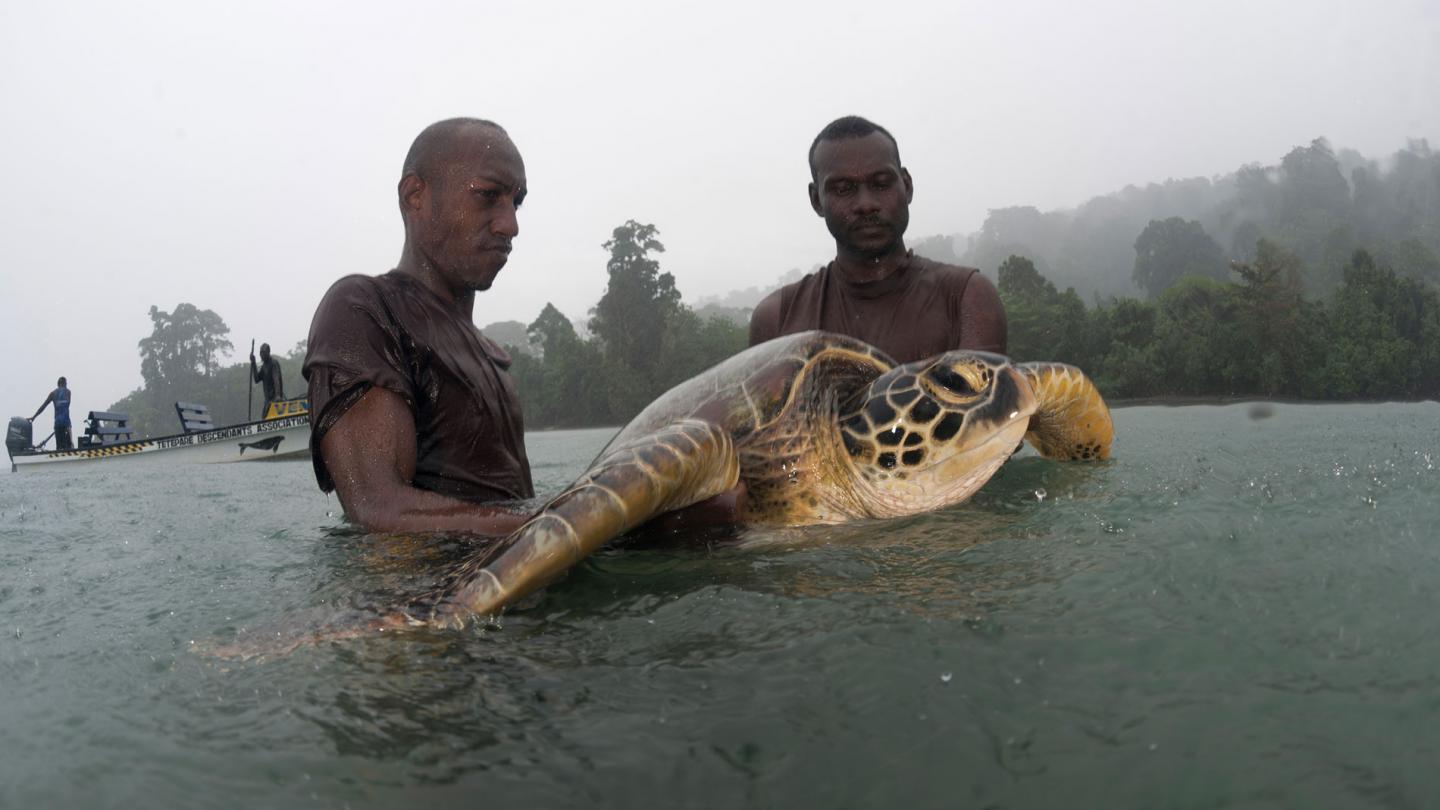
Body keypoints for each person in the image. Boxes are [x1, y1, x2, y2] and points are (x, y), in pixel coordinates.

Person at [303, 118, 537, 536]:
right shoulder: (366, 310)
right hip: (433, 597)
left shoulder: (490, 353)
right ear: (415, 196)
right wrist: (558, 525)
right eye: (488, 196)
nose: (510, 224)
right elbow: (377, 506)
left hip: (523, 574)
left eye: (515, 202)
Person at [749, 116, 1008, 363]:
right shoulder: (777, 318)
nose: (866, 204)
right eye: (843, 189)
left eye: (881, 184)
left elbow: (980, 404)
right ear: (816, 200)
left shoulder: (965, 298)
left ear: (906, 185)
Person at [30, 376, 73, 450]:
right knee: (68, 448)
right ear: (65, 384)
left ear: (58, 384)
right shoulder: (68, 392)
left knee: (59, 448)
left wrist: (34, 417)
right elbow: (67, 405)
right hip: (66, 424)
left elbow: (43, 406)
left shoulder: (53, 394)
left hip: (58, 424)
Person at [250, 343, 285, 412]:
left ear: (268, 352)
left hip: (275, 399)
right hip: (268, 400)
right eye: (260, 353)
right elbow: (256, 379)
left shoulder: (273, 363)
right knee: (264, 417)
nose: (261, 355)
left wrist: (277, 395)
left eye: (263, 353)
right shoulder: (264, 366)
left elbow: (276, 380)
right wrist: (253, 363)